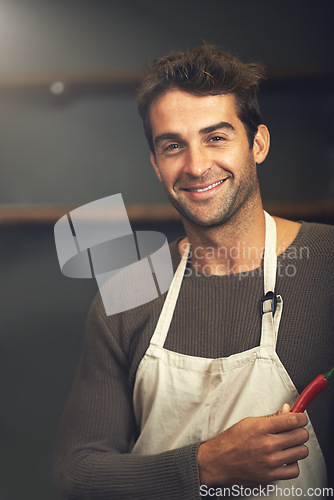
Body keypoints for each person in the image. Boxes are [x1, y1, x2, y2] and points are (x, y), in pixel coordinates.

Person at [55, 44, 334, 499]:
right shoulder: (125, 295)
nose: (197, 165)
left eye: (216, 137)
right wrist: (206, 465)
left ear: (257, 144)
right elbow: (78, 473)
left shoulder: (329, 265)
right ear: (155, 164)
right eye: (172, 146)